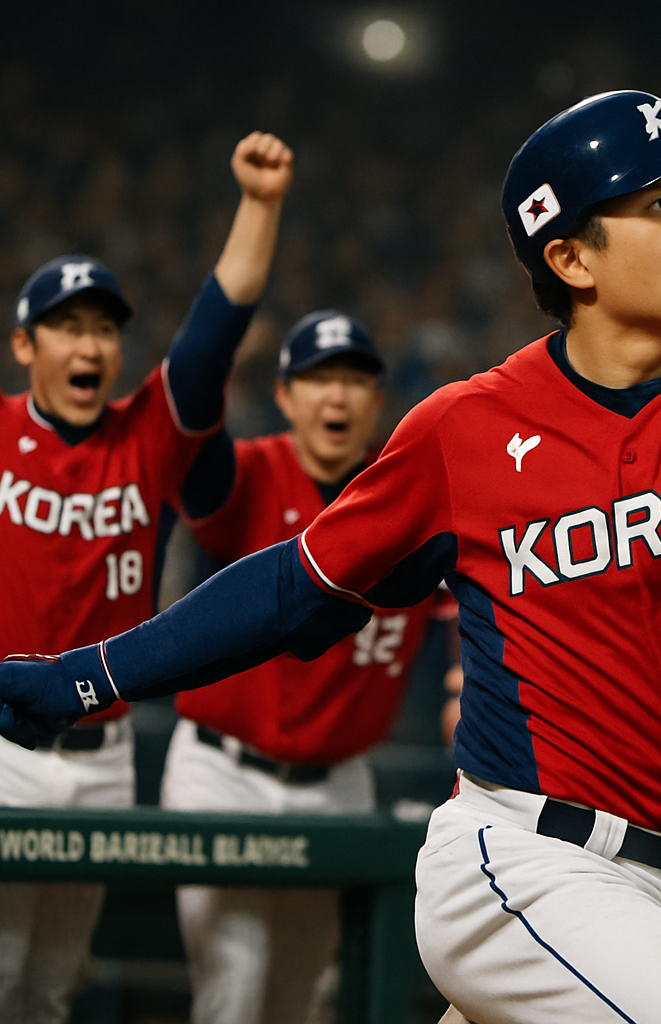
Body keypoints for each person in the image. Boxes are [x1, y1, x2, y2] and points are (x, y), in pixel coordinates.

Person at [0, 89, 661, 1023]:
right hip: (524, 866)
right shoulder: (464, 428)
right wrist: (87, 676)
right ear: (568, 257)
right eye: (660, 205)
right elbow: (293, 586)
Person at [0, 83, 293, 1024]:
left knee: (48, 991)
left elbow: (210, 337)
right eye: (68, 326)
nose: (90, 343)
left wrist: (259, 205)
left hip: (103, 752)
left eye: (105, 328)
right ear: (24, 344)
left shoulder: (147, 436)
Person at [166, 311, 453, 1024]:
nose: (337, 396)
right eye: (318, 379)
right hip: (222, 773)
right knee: (234, 990)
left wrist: (459, 678)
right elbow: (189, 430)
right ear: (287, 397)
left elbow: (464, 596)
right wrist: (225, 331)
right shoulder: (247, 478)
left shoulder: (405, 498)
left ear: (378, 403)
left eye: (355, 380)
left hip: (338, 784)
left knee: (300, 1002)